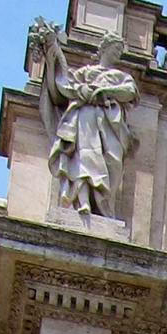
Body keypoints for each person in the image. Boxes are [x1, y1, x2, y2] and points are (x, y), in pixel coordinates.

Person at [29, 20, 139, 220]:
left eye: (120, 50)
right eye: (116, 48)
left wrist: (104, 90)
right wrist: (53, 52)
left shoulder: (120, 76)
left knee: (112, 162)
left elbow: (130, 91)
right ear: (105, 48)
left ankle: (103, 204)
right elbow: (63, 86)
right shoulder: (85, 73)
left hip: (110, 126)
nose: (118, 53)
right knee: (86, 158)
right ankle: (83, 202)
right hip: (86, 117)